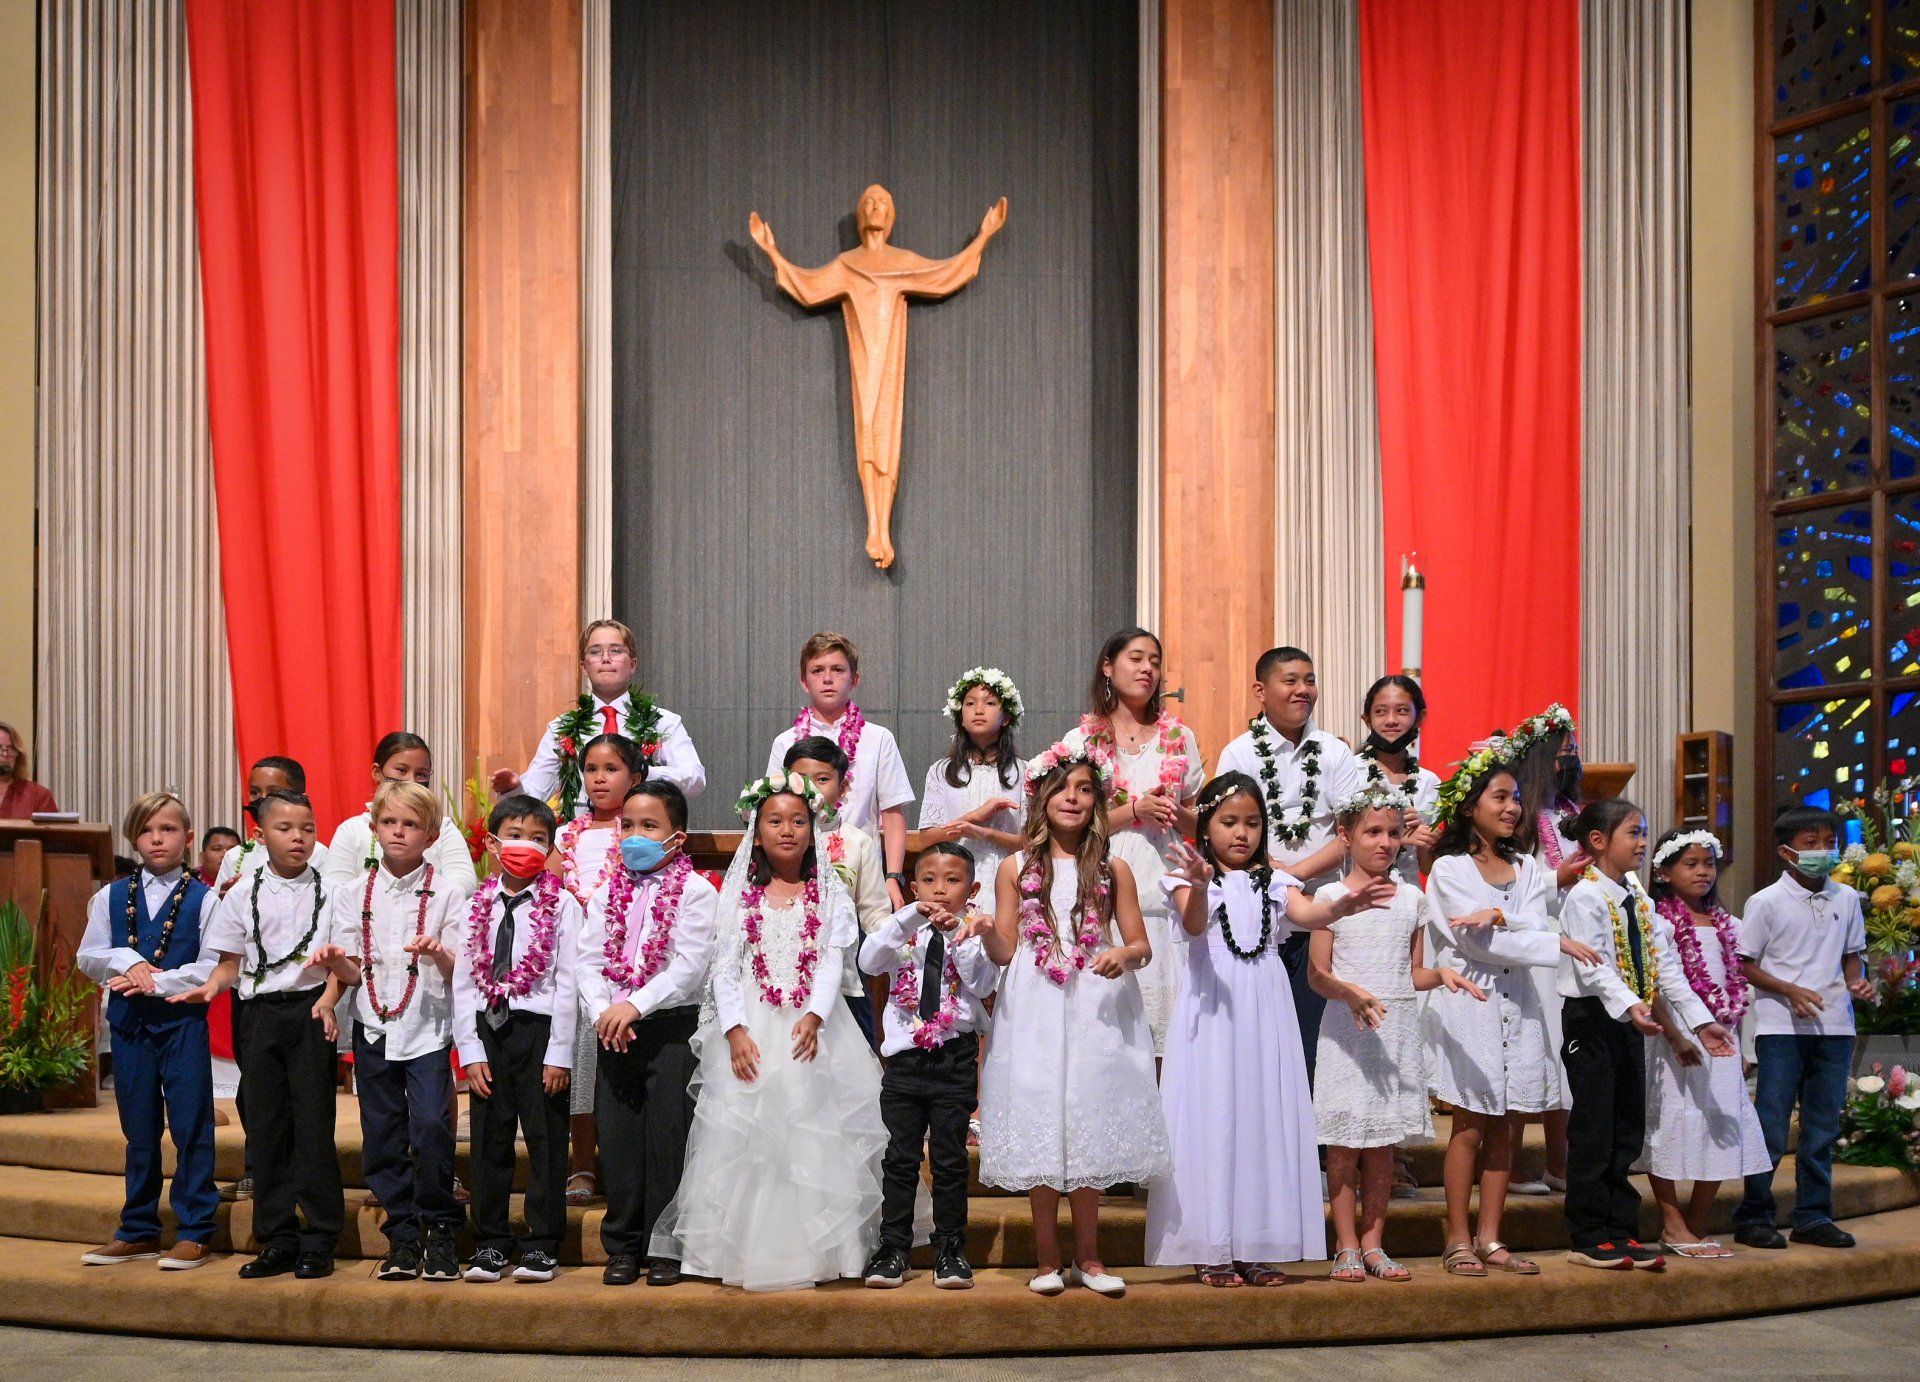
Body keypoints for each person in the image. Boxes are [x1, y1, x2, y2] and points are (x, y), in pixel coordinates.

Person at [1148, 773, 1393, 1288]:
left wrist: (1342, 906)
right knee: (1213, 1117)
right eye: (1228, 822)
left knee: (1260, 1117)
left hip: (1265, 1008)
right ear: (1206, 826)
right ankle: (1210, 1246)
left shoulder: (1277, 882)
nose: (1242, 833)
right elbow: (1194, 926)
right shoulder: (1187, 878)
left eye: (1253, 823)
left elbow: (1309, 912)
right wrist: (1196, 883)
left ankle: (1255, 1243)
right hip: (1212, 1010)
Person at [650, 771, 884, 1291]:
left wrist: (816, 1014)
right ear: (756, 831)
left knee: (813, 1130)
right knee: (746, 1134)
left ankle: (829, 1251)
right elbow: (725, 969)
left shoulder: (830, 895)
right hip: (754, 1022)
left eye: (798, 820)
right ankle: (729, 1251)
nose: (786, 829)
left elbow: (830, 962)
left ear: (813, 828)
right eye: (774, 820)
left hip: (812, 1025)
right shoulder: (740, 896)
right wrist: (733, 1030)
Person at [979, 746, 1171, 1298]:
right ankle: (1046, 1261)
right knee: (1044, 1114)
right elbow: (1005, 948)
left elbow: (1140, 944)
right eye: (1062, 788)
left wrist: (1123, 956)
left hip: (1096, 1003)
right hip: (1035, 1000)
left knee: (1086, 1117)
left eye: (1085, 790)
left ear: (1097, 802)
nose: (1072, 798)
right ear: (1041, 797)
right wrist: (987, 930)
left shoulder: (1114, 868)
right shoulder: (1016, 868)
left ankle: (1090, 1257)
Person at [1423, 755, 1600, 1278]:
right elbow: (1478, 943)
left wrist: (1510, 916)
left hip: (1520, 1005)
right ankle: (1457, 1237)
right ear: (1470, 806)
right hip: (1472, 1001)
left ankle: (1491, 1237)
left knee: (1509, 1127)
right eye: (1499, 797)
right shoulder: (1450, 870)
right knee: (1471, 1125)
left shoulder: (1525, 868)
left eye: (1516, 798)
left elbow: (1521, 924)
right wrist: (1544, 937)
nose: (1511, 807)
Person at [1310, 785, 1484, 1283]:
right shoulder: (1330, 897)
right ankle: (1344, 1244)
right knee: (1344, 1145)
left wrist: (1442, 975)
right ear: (1345, 835)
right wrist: (1352, 994)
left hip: (1396, 1030)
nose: (1384, 843)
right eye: (1372, 832)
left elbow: (1411, 971)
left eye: (1393, 833)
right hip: (1349, 1029)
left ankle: (1373, 1243)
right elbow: (1317, 975)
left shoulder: (1412, 898)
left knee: (1383, 1145)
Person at [167, 790, 343, 1279]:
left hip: (308, 1015)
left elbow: (340, 966)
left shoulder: (332, 890)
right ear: (261, 836)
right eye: (286, 829)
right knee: (266, 1127)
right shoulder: (243, 891)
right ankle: (277, 1236)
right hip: (259, 1015)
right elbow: (229, 964)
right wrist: (209, 989)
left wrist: (328, 998)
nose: (299, 838)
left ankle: (320, 1237)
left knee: (313, 1125)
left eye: (307, 829)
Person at [1557, 799, 1735, 1271]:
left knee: (1626, 1128)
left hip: (1629, 1021)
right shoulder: (1586, 895)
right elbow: (1592, 966)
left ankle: (1621, 1228)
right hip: (1593, 1020)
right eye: (1634, 833)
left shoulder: (1638, 898)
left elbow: (1666, 969)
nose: (1642, 843)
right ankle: (1588, 1235)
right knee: (1595, 1128)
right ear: (1598, 842)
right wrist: (1630, 1004)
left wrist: (1700, 1022)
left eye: (1644, 832)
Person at [311, 779, 465, 1282]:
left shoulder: (447, 893)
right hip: (374, 1027)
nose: (399, 832)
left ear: (432, 833)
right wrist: (338, 964)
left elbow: (459, 969)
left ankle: (441, 1227)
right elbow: (356, 972)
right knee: (381, 1134)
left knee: (430, 1126)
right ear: (374, 828)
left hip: (427, 1028)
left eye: (411, 824)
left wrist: (437, 952)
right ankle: (402, 1233)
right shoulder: (353, 893)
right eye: (390, 822)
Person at [578, 780, 717, 1286]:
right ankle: (623, 1245)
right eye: (628, 825)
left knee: (667, 1138)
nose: (634, 834)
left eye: (649, 826)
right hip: (613, 1028)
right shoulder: (606, 891)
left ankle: (666, 1248)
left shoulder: (698, 891)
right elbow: (588, 960)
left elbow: (689, 965)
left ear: (675, 838)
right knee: (617, 1136)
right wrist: (603, 1010)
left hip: (669, 1028)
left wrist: (634, 1004)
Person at [75, 791, 220, 1271]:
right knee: (138, 1127)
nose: (157, 839)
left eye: (169, 829)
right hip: (130, 1025)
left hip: (181, 1022)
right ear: (133, 837)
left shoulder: (206, 898)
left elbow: (211, 966)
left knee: (190, 1124)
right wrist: (129, 961)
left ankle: (196, 1228)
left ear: (189, 837)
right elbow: (89, 955)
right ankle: (138, 1229)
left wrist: (155, 980)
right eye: (146, 830)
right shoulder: (110, 895)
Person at [1214, 647, 1365, 1079]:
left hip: (1321, 918)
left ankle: (1312, 1146)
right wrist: (1273, 877)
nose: (1303, 690)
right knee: (1257, 1039)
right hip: (1257, 918)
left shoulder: (1335, 752)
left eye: (1310, 680)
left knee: (1314, 1040)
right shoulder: (1240, 753)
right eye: (1291, 680)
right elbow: (1227, 832)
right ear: (1261, 691)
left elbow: (1349, 834)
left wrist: (1291, 876)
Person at [1733, 804, 1876, 1250]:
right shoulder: (1765, 901)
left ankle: (1813, 1215)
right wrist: (1789, 990)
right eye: (1811, 844)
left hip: (1835, 1027)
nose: (1822, 851)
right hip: (1781, 1029)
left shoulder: (1847, 898)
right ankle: (1754, 1215)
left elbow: (1853, 953)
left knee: (1820, 1129)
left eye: (1829, 843)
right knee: (1772, 1126)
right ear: (1786, 851)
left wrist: (1856, 982)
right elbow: (1745, 964)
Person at [451, 794, 581, 1283]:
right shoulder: (476, 905)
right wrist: (470, 1049)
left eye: (538, 839)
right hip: (490, 1029)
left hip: (539, 1029)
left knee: (546, 1139)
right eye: (515, 836)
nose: (525, 846)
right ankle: (488, 1242)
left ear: (550, 850)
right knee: (489, 1138)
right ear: (491, 842)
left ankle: (543, 1242)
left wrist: (560, 1053)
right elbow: (463, 980)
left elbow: (568, 982)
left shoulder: (563, 904)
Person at [857, 842, 998, 1290]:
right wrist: (909, 918)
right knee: (900, 1156)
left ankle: (950, 1248)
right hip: (905, 1059)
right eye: (930, 880)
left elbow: (982, 981)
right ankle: (894, 1246)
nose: (940, 890)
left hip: (954, 1057)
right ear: (914, 885)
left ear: (971, 888)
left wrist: (961, 936)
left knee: (950, 1159)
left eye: (952, 881)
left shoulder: (974, 936)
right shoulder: (900, 932)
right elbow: (869, 960)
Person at [1057, 627, 1204, 1051]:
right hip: (1100, 875)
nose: (1147, 669)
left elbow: (1201, 825)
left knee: (1161, 1018)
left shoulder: (1180, 738)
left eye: (1155, 662)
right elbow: (1069, 820)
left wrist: (1178, 814)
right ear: (1108, 666)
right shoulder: (1081, 740)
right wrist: (1134, 811)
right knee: (1103, 1028)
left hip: (1163, 881)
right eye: (1137, 658)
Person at [1643, 828, 1770, 1259]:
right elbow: (1655, 983)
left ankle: (1695, 1222)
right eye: (1690, 864)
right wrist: (1676, 1034)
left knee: (1720, 1125)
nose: (1702, 872)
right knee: (1668, 1126)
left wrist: (1745, 1047)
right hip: (1672, 1037)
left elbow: (1742, 990)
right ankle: (1672, 1223)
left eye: (1708, 864)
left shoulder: (1730, 926)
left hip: (1723, 1036)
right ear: (1663, 872)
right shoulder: (1656, 921)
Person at [552, 732, 645, 1204]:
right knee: (580, 1066)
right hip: (576, 965)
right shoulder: (567, 834)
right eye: (591, 770)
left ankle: (628, 1157)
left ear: (636, 776)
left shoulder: (638, 832)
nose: (599, 778)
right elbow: (549, 887)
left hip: (624, 967)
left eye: (611, 769)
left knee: (616, 1068)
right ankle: (583, 1164)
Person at [495, 618, 706, 815]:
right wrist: (514, 788)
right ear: (584, 666)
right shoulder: (561, 729)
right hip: (580, 840)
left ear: (632, 664)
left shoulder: (662, 723)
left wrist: (644, 773)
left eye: (616, 650)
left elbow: (695, 779)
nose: (605, 658)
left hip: (642, 837)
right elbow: (536, 792)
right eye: (595, 652)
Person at [766, 632, 914, 908]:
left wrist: (893, 877)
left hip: (861, 873)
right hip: (799, 872)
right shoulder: (785, 742)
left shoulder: (878, 738)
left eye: (838, 670)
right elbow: (772, 808)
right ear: (804, 681)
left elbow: (892, 813)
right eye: (817, 670)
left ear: (854, 679)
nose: (827, 678)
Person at [1508, 706, 1586, 1194]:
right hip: (1536, 942)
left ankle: (1560, 1163)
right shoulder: (1520, 816)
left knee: (1567, 1059)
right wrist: (1560, 877)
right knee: (1529, 1053)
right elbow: (1516, 884)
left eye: (1572, 751)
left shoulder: (1573, 814)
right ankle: (1514, 1166)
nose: (1568, 760)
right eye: (1559, 752)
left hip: (1574, 941)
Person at [787, 734, 891, 1049]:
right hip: (782, 975)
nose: (810, 789)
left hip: (843, 977)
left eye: (822, 779)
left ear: (842, 788)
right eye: (800, 779)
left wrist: (900, 943)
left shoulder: (856, 841)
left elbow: (873, 910)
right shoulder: (775, 836)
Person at [321, 732, 478, 902]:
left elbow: (465, 885)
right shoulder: (352, 830)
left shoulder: (443, 827)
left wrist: (412, 905)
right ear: (377, 771)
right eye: (402, 770)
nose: (411, 780)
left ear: (431, 837)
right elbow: (336, 892)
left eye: (421, 774)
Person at [918, 667, 1028, 888]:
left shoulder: (1024, 771)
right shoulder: (941, 771)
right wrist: (975, 816)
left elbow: (1031, 843)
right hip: (954, 877)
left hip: (1009, 876)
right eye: (970, 703)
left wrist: (986, 833)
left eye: (989, 703)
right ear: (960, 717)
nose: (979, 710)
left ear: (1006, 717)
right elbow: (927, 839)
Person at [1353, 676, 1441, 877]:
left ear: (1419, 717)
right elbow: (1340, 843)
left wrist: (1426, 838)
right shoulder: (1350, 771)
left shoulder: (1429, 782)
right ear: (1367, 719)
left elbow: (1427, 868)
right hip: (1358, 893)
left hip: (1409, 895)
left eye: (1402, 711)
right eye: (1380, 712)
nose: (1391, 720)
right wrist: (1397, 835)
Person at [216, 756, 331, 893]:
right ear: (259, 835)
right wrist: (223, 900)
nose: (263, 799)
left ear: (300, 798)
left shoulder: (317, 854)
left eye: (273, 793)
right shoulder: (234, 856)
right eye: (255, 792)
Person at [0, 721, 58, 819]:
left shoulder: (39, 795)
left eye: (11, 748)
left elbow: (55, 832)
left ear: (18, 755)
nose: (5, 754)